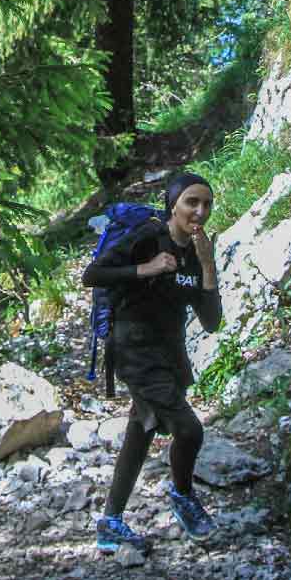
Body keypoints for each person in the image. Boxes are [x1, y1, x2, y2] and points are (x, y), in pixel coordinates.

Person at [81, 169, 223, 551]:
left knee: (141, 431)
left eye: (206, 204)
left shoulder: (197, 253)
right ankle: (183, 497)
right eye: (191, 202)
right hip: (134, 351)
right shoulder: (148, 237)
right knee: (190, 430)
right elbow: (92, 275)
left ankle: (111, 522)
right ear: (173, 205)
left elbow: (211, 323)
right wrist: (147, 268)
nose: (200, 211)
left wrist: (208, 266)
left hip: (170, 354)